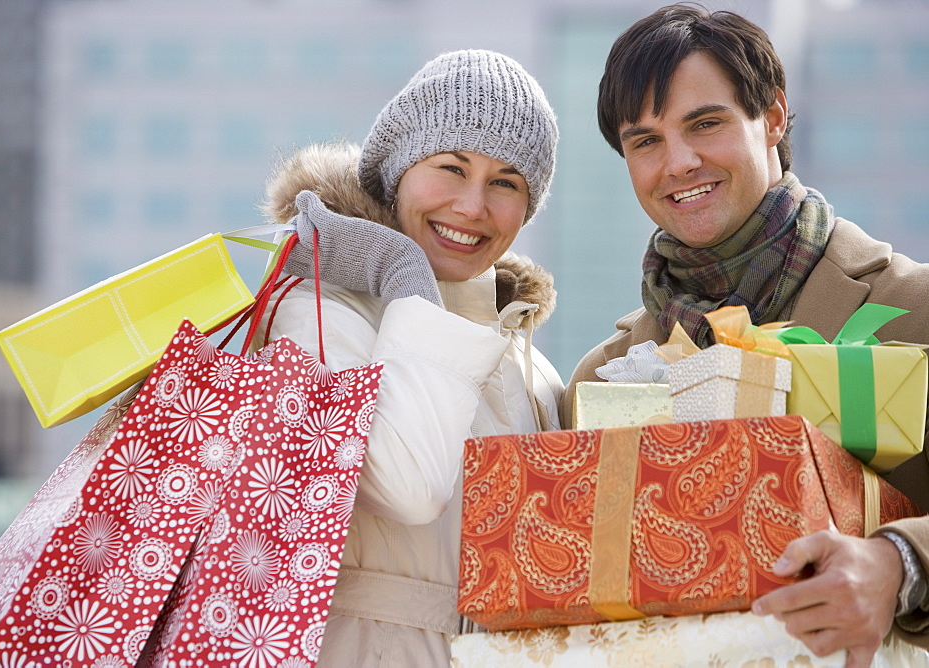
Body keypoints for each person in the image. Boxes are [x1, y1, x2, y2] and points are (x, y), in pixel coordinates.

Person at [562, 4, 929, 666]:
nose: (678, 162)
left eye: (705, 123)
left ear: (776, 117)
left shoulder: (916, 307)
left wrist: (898, 563)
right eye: (644, 140)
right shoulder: (600, 379)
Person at [255, 49, 563, 666]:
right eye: (451, 167)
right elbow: (409, 487)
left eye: (506, 182)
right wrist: (406, 279)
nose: (473, 206)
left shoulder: (527, 359)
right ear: (398, 169)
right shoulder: (317, 313)